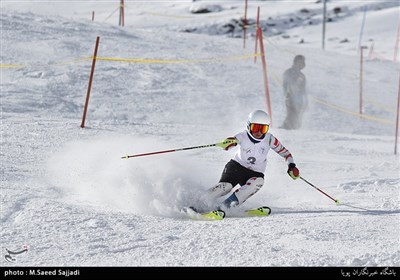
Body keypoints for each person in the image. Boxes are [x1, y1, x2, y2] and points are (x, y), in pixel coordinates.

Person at [206, 109, 300, 211]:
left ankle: (226, 206)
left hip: (254, 173)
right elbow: (230, 144)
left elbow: (286, 153)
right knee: (226, 187)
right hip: (236, 168)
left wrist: (291, 166)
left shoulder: (270, 139)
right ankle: (199, 201)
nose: (259, 132)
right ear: (249, 126)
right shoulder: (243, 136)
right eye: (255, 128)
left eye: (263, 129)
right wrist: (228, 143)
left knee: (258, 181)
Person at [280, 54, 308, 130]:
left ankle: (293, 130)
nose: (301, 64)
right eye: (300, 62)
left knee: (298, 119)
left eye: (303, 63)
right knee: (291, 116)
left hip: (299, 100)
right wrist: (288, 94)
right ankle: (285, 129)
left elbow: (303, 90)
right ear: (295, 62)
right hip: (291, 98)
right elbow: (285, 84)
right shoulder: (289, 72)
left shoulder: (302, 75)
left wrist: (306, 100)